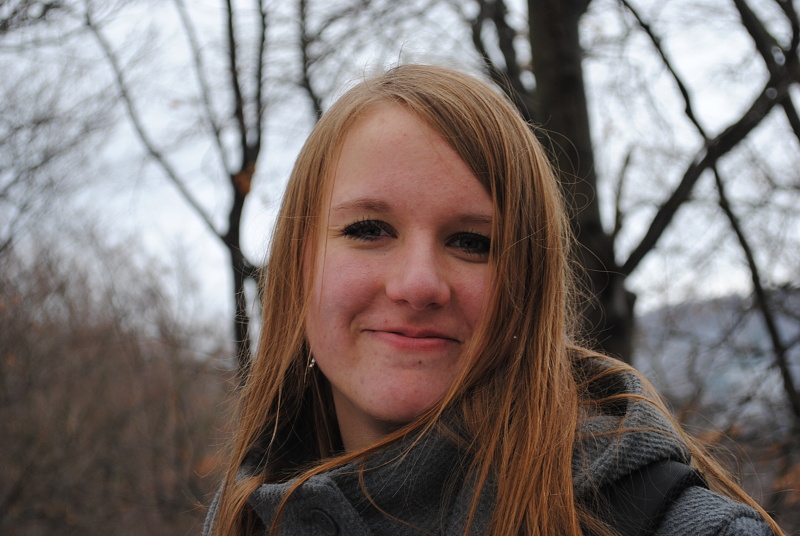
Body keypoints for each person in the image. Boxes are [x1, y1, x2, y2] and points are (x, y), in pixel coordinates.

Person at [203, 64, 782, 535]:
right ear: (298, 264)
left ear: (528, 286)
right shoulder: (247, 516)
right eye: (369, 230)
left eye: (472, 242)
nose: (418, 285)